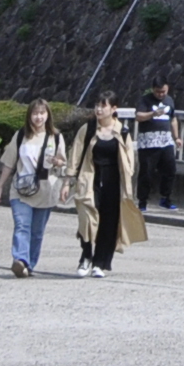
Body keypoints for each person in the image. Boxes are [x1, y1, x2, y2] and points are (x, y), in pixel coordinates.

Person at [0, 99, 66, 278]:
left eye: (42, 113)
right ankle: (20, 260)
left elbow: (64, 164)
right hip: (21, 189)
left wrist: (58, 163)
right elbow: (9, 163)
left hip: (45, 190)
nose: (38, 117)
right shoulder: (21, 135)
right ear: (29, 115)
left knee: (37, 232)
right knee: (22, 225)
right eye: (35, 113)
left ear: (48, 115)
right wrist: (0, 186)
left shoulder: (55, 137)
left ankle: (29, 265)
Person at [69, 94, 142, 277]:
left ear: (114, 109)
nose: (99, 109)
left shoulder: (122, 131)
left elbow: (129, 160)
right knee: (87, 217)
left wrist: (128, 183)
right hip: (90, 177)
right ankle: (86, 255)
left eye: (103, 106)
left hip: (113, 180)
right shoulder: (88, 129)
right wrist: (68, 179)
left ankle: (100, 263)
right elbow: (75, 154)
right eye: (97, 105)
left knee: (109, 223)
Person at [135, 84, 178, 211]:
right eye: (158, 91)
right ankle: (142, 201)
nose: (161, 94)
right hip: (148, 142)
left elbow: (173, 119)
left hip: (166, 140)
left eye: (163, 91)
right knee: (147, 173)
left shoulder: (169, 100)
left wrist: (177, 137)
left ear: (167, 88)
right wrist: (153, 114)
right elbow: (138, 116)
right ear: (153, 89)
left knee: (170, 170)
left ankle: (166, 198)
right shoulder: (145, 100)